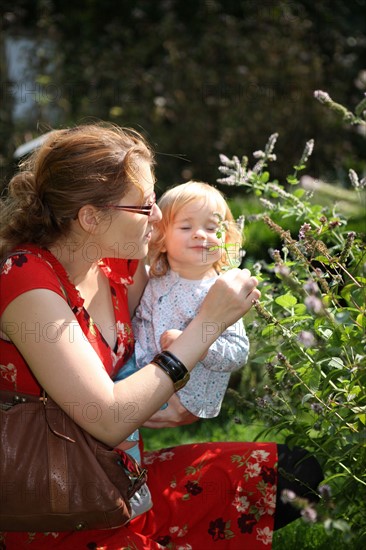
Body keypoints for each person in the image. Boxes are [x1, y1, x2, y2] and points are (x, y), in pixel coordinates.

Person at [0, 123, 323, 549]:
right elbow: (110, 418)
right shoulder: (24, 280)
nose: (158, 217)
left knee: (293, 473)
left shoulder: (116, 269)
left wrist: (187, 398)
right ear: (91, 218)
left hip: (124, 482)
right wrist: (208, 325)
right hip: (60, 505)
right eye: (145, 207)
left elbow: (185, 286)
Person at [114, 181, 250, 465]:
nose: (201, 235)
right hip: (143, 373)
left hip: (183, 393)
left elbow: (237, 353)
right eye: (186, 227)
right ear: (161, 238)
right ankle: (118, 469)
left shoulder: (222, 290)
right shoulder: (155, 277)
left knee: (113, 409)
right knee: (107, 402)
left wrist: (194, 346)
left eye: (213, 228)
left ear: (227, 238)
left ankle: (122, 475)